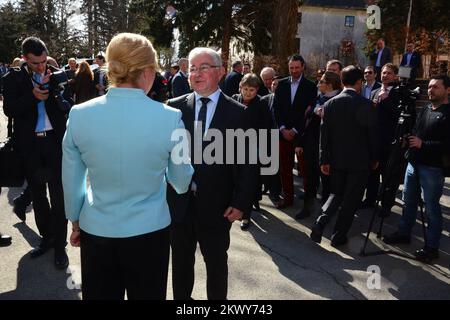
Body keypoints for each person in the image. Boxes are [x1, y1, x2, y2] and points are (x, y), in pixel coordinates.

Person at [62, 32, 193, 300]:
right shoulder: (170, 118)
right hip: (150, 232)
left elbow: (72, 179)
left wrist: (75, 221)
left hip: (97, 230)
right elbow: (181, 182)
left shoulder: (79, 115)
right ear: (147, 72)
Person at [166, 47, 256, 300]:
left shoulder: (239, 113)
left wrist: (241, 204)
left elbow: (249, 164)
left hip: (218, 207)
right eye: (192, 68)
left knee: (216, 265)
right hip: (179, 205)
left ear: (220, 72)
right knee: (181, 265)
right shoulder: (174, 109)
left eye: (203, 67)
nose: (196, 73)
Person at [2, 37, 73, 269]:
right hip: (30, 147)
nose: (42, 67)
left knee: (58, 196)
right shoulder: (13, 78)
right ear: (24, 59)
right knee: (39, 197)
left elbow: (67, 106)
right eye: (36, 63)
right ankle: (47, 239)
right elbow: (9, 109)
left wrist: (55, 91)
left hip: (54, 144)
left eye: (44, 61)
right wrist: (32, 97)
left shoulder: (56, 74)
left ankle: (60, 245)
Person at [383, 75, 450, 263]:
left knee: (431, 208)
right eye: (429, 87)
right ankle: (404, 233)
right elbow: (416, 132)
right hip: (413, 163)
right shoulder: (425, 108)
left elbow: (447, 145)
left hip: (433, 168)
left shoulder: (448, 113)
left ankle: (432, 247)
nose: (430, 90)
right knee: (408, 201)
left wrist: (424, 144)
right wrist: (409, 139)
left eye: (436, 87)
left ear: (447, 90)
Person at [310, 66, 378, 247]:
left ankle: (320, 223)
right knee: (351, 199)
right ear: (358, 83)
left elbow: (324, 135)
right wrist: (375, 158)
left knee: (336, 193)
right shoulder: (366, 104)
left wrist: (323, 159)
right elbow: (372, 136)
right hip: (360, 161)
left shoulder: (330, 104)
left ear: (341, 82)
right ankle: (338, 235)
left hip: (336, 160)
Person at [273, 54, 317, 209]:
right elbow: (276, 109)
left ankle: (307, 203)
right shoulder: (282, 84)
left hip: (301, 136)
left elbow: (309, 112)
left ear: (303, 67)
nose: (294, 70)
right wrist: (283, 128)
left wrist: (296, 130)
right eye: (291, 68)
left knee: (304, 171)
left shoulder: (311, 86)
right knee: (285, 169)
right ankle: (288, 198)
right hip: (283, 133)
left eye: (297, 67)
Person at [295, 71, 341, 218]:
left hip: (330, 148)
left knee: (328, 181)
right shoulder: (317, 97)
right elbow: (306, 121)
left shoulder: (340, 99)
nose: (318, 84)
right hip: (312, 145)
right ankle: (307, 208)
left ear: (329, 85)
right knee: (310, 178)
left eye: (321, 82)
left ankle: (325, 213)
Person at [232, 73, 273, 230]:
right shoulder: (234, 99)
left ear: (257, 90)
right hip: (233, 146)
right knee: (235, 180)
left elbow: (267, 128)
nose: (248, 93)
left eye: (252, 90)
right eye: (245, 89)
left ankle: (246, 215)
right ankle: (238, 205)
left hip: (252, 149)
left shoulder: (261, 103)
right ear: (240, 87)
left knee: (248, 181)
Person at [363, 63, 402, 216]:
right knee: (372, 173)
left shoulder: (399, 93)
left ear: (395, 76)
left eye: (389, 73)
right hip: (374, 141)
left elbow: (400, 114)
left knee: (388, 175)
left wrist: (385, 101)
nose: (385, 75)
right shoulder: (374, 91)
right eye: (384, 73)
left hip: (390, 142)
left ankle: (386, 205)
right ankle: (369, 200)